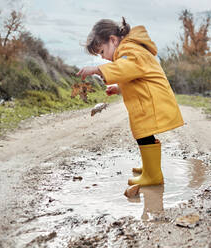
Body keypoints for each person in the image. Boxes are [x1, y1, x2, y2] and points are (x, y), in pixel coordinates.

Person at [76, 17, 184, 186]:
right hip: (148, 99)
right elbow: (135, 75)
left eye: (102, 52)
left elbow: (126, 68)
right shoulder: (129, 50)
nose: (103, 58)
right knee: (143, 133)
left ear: (112, 40)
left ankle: (153, 174)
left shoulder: (128, 50)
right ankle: (150, 167)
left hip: (150, 101)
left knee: (144, 133)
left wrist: (97, 69)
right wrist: (119, 88)